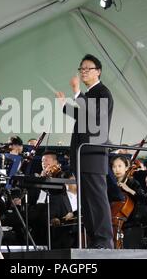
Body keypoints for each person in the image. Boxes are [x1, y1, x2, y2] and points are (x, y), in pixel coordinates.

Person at [56, 54, 114, 249]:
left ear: (98, 71)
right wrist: (65, 106)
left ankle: (105, 241)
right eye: (81, 69)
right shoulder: (89, 94)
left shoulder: (103, 92)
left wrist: (76, 93)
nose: (83, 72)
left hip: (94, 154)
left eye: (88, 68)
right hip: (83, 155)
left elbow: (93, 116)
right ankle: (95, 240)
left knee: (97, 200)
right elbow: (82, 117)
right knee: (87, 203)